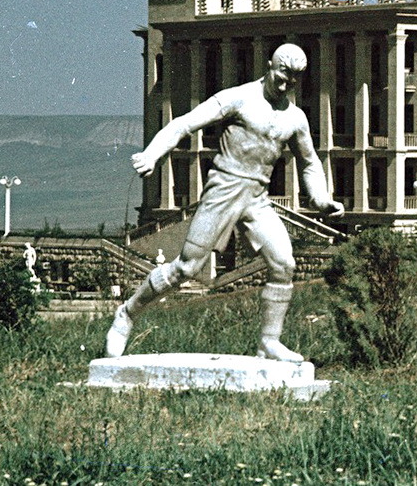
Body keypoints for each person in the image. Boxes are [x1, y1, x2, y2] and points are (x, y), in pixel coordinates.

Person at [105, 43, 342, 362]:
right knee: (186, 269)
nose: (287, 83)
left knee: (284, 264)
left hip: (257, 197)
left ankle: (268, 342)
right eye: (283, 74)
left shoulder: (295, 118)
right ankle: (128, 314)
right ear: (270, 65)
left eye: (295, 78)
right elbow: (183, 124)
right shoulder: (238, 98)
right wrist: (153, 153)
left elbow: (310, 161)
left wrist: (321, 199)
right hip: (223, 189)